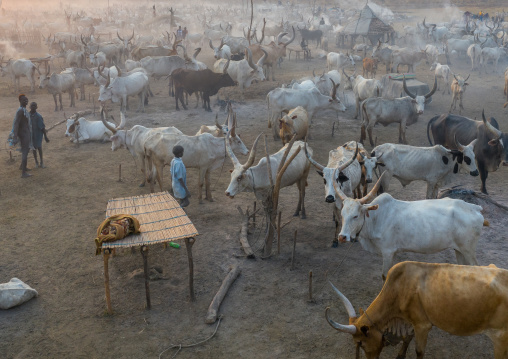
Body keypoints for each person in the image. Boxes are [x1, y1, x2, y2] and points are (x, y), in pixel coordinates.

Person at [12, 94, 33, 178]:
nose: (26, 101)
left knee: (26, 149)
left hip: (25, 133)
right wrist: (15, 136)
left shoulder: (23, 110)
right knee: (25, 151)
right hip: (23, 134)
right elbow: (16, 123)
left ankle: (23, 167)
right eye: (24, 100)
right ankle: (23, 173)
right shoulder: (21, 111)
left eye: (26, 99)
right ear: (20, 101)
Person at [29, 102, 49, 168]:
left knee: (39, 148)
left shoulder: (38, 116)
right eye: (32, 106)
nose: (33, 107)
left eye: (35, 106)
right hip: (31, 135)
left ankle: (42, 162)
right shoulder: (27, 116)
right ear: (30, 107)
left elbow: (42, 127)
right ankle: (36, 162)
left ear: (37, 107)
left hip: (38, 135)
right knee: (34, 149)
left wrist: (45, 136)